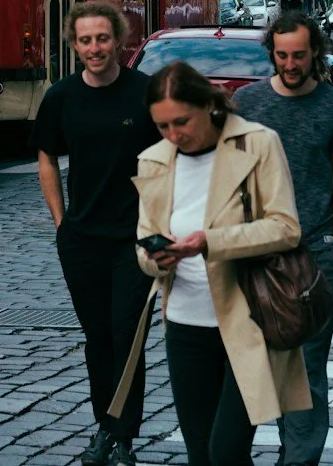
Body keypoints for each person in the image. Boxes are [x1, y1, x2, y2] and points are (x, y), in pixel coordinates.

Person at [133, 61, 309, 466]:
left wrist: (209, 243)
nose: (174, 134)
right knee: (201, 456)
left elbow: (286, 228)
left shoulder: (258, 143)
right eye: (162, 126)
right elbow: (143, 242)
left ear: (208, 107)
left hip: (249, 319)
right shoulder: (154, 160)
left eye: (181, 122)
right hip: (184, 322)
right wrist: (156, 258)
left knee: (226, 452)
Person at [37, 2, 162, 466]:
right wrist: (60, 221)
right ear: (74, 45)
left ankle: (122, 435)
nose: (95, 48)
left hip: (136, 239)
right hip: (83, 241)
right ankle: (105, 428)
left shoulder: (145, 93)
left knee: (127, 336)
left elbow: (174, 157)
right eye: (86, 40)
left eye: (103, 39)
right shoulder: (62, 97)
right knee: (97, 338)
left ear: (119, 41)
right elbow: (47, 157)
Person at [233, 13, 333, 466]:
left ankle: (298, 460)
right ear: (272, 53)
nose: (290, 63)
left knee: (305, 369)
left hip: (314, 255)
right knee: (248, 366)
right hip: (253, 254)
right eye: (282, 55)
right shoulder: (246, 102)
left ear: (315, 53)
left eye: (299, 55)